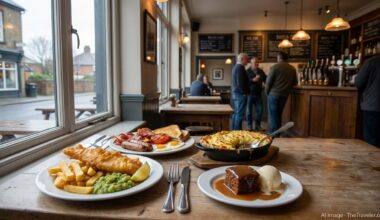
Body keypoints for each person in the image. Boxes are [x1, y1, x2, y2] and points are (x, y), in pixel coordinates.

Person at [265, 52, 297, 134]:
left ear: (279, 58)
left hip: (273, 94)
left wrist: (266, 92)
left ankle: (274, 134)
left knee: (273, 116)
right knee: (278, 115)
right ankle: (277, 133)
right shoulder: (292, 69)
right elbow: (295, 82)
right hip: (284, 95)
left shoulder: (275, 67)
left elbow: (268, 82)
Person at [355, 55, 380, 148]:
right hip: (374, 104)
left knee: (372, 141)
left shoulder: (371, 62)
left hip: (373, 105)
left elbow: (358, 82)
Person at [246, 57, 267, 131]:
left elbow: (266, 79)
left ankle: (257, 126)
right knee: (249, 111)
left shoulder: (261, 71)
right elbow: (244, 82)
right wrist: (252, 80)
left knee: (260, 111)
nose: (257, 64)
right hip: (249, 94)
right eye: (255, 63)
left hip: (258, 94)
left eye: (258, 62)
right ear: (251, 64)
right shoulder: (247, 71)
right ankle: (249, 126)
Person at [231, 53, 250, 130]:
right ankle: (237, 132)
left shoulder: (236, 67)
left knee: (236, 113)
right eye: (247, 59)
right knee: (239, 114)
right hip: (240, 94)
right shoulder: (240, 68)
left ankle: (234, 130)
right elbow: (240, 83)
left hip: (236, 93)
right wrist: (245, 93)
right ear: (242, 59)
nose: (248, 61)